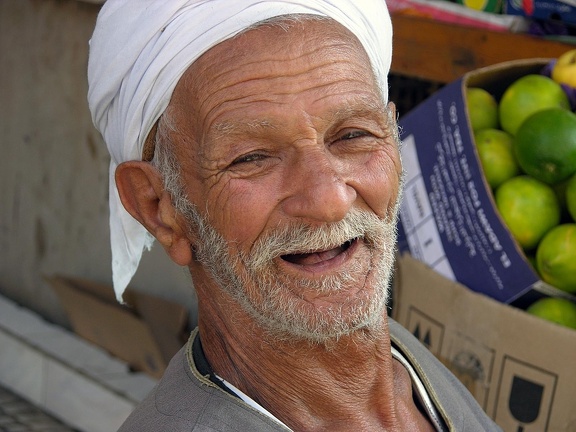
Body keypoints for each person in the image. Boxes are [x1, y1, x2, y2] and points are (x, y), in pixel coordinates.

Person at [87, 1, 502, 431]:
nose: (329, 200)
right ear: (160, 208)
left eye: (353, 135)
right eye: (252, 158)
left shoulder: (408, 366)